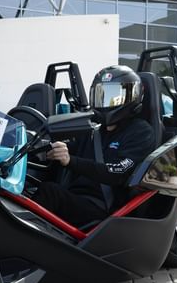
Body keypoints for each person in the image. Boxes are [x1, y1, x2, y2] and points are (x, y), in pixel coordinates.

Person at [32, 65, 156, 228]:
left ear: (132, 96)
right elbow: (69, 149)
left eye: (113, 96)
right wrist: (45, 149)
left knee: (50, 192)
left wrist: (70, 161)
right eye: (101, 96)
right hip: (75, 199)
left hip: (104, 208)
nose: (106, 103)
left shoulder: (141, 131)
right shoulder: (93, 131)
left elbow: (118, 172)